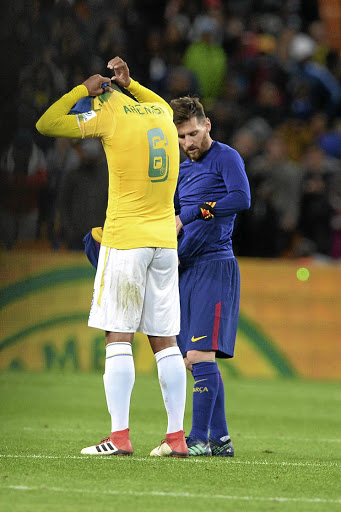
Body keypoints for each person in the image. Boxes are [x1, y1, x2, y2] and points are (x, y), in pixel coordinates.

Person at [36, 56, 188, 458]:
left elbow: (47, 123)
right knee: (165, 341)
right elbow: (156, 101)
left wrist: (83, 91)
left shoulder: (105, 112)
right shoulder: (160, 111)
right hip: (164, 242)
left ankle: (119, 436)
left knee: (117, 335)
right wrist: (130, 82)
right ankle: (176, 439)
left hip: (125, 239)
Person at [170, 96, 251, 456]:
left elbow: (241, 198)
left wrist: (193, 213)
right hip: (185, 268)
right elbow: (171, 213)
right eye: (181, 136)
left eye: (192, 133)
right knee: (192, 359)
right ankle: (219, 439)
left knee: (201, 355)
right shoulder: (180, 168)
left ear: (207, 126)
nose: (188, 143)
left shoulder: (226, 157)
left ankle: (198, 437)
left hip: (215, 265)